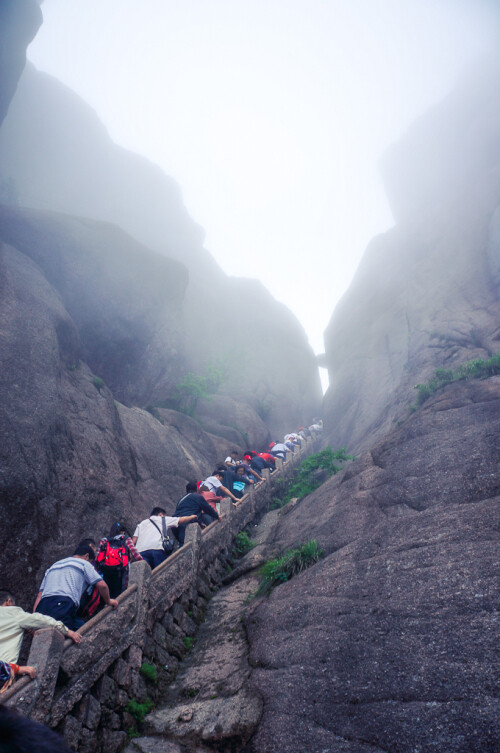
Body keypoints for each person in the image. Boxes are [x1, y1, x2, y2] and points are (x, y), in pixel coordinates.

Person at [0, 589, 81, 693]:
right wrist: (67, 631)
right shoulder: (13, 613)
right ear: (8, 602)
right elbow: (41, 620)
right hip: (4, 672)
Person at [33, 545, 118, 630]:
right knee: (62, 636)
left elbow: (40, 595)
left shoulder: (53, 566)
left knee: (82, 630)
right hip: (63, 603)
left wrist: (34, 618)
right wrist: (109, 601)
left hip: (43, 606)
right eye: (90, 561)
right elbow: (102, 585)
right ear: (86, 556)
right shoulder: (83, 563)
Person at [132, 507, 198, 569]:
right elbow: (181, 520)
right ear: (160, 514)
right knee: (159, 573)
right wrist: (191, 517)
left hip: (140, 552)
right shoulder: (162, 519)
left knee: (146, 576)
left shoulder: (141, 524)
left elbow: (134, 541)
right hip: (156, 548)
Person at [96, 523, 143, 598]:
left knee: (107, 591)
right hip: (121, 571)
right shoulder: (126, 539)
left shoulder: (105, 540)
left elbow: (98, 556)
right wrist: (143, 562)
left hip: (106, 570)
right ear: (121, 532)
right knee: (120, 592)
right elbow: (135, 552)